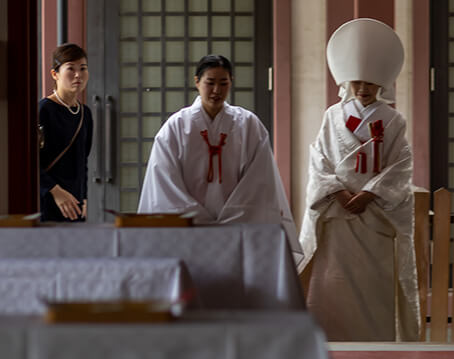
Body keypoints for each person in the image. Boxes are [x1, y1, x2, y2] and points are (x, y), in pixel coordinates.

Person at [299, 18, 420, 342]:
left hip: (374, 216)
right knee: (333, 282)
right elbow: (319, 159)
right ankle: (330, 338)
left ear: (382, 83)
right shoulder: (332, 116)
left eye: (370, 83)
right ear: (346, 83)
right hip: (338, 215)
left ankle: (377, 339)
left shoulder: (393, 120)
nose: (363, 89)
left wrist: (369, 194)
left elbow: (401, 164)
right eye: (357, 83)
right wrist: (338, 192)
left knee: (374, 283)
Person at [138, 54, 300, 251]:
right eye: (210, 82)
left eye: (223, 83)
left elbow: (259, 180)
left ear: (231, 82)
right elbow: (164, 181)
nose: (217, 90)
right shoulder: (176, 127)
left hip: (238, 227)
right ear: (197, 82)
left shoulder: (248, 125)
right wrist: (197, 218)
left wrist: (231, 216)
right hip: (189, 229)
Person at [39, 43, 94, 222]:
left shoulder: (85, 113)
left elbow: (82, 160)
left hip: (74, 202)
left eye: (83, 68)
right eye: (70, 68)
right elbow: (28, 160)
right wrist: (55, 190)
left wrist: (84, 197)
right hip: (48, 199)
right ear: (55, 74)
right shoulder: (43, 110)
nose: (78, 75)